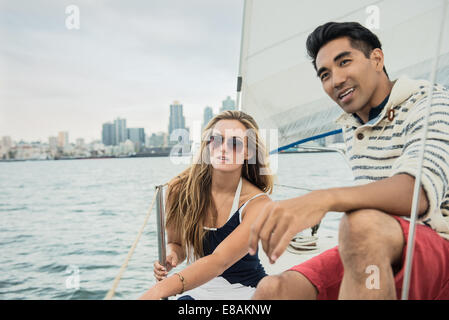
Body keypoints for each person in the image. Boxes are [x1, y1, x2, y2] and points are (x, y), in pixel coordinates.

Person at [249, 21, 449, 300]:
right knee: (273, 290)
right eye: (325, 75)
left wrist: (323, 199)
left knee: (359, 225)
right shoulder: (351, 124)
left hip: (439, 244)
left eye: (345, 62)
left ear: (376, 59)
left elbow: (417, 193)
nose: (336, 80)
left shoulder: (431, 103)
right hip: (381, 245)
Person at [139, 110, 274, 300]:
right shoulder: (179, 190)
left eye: (234, 143)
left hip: (248, 292)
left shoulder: (259, 205)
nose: (223, 148)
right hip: (196, 290)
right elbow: (176, 243)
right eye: (216, 140)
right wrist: (173, 255)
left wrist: (158, 291)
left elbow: (219, 261)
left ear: (248, 152)